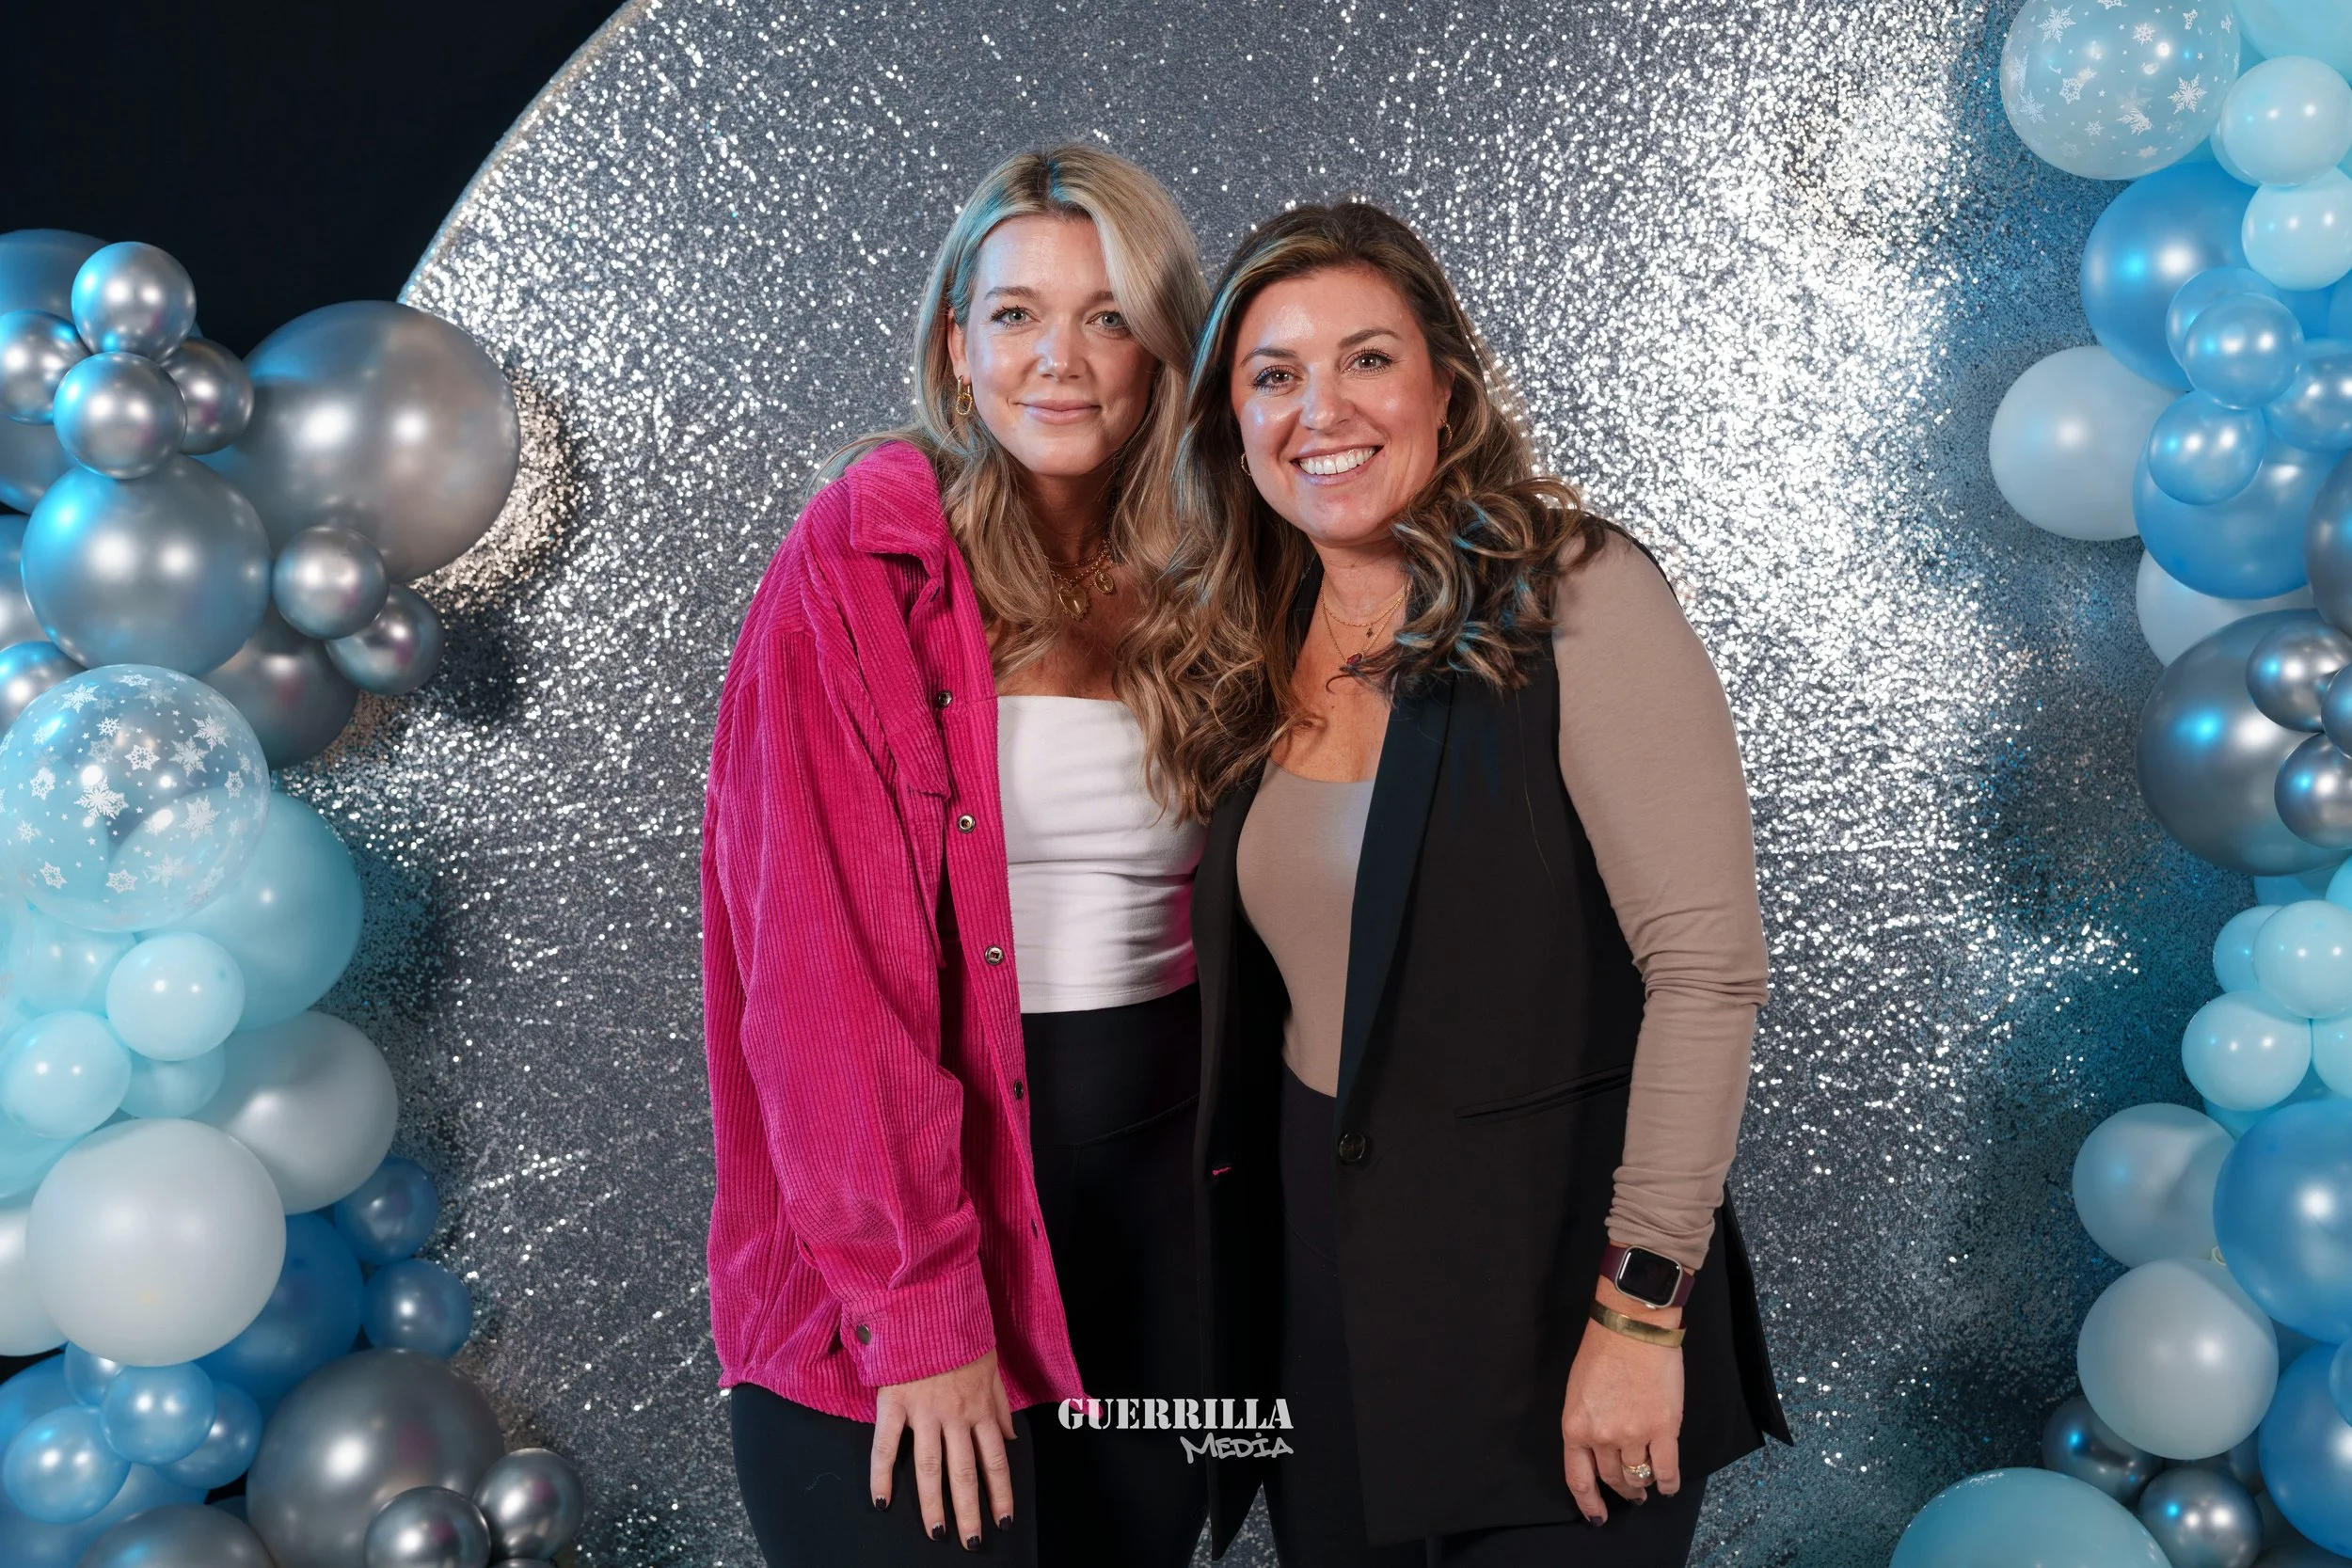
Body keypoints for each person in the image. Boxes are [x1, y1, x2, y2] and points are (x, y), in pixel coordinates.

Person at [1129, 201, 1791, 1566]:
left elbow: (1707, 969)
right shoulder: (1250, 638)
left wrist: (1642, 1308)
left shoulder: (1577, 594)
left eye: (1367, 358)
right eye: (1274, 375)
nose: (1324, 408)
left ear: (1446, 383)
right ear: (1231, 421)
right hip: (1327, 1306)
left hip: (1559, 1297)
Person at [700, 146, 1213, 1566]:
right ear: (955, 343)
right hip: (903, 1249)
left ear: (1166, 344)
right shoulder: (859, 563)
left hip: (1152, 1251)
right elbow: (813, 980)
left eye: (1107, 315)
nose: (1060, 359)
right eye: (1014, 316)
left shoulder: (1219, 578)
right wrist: (920, 1312)